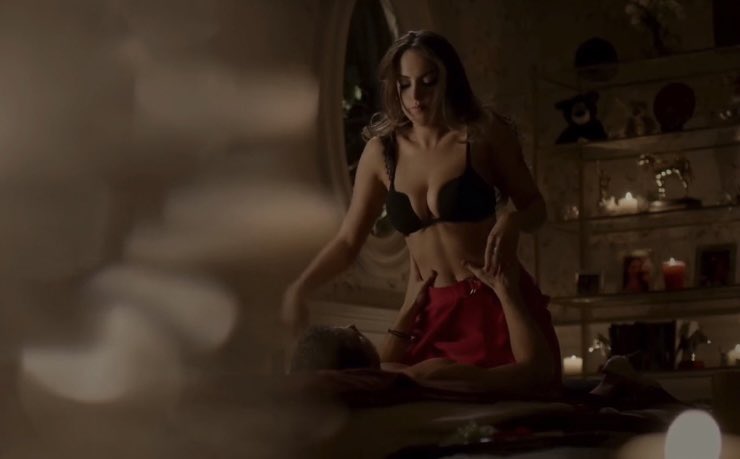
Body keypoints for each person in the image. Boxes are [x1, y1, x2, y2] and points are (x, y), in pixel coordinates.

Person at [283, 30, 561, 391]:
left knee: (523, 404)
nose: (415, 97)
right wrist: (300, 287)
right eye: (405, 85)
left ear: (450, 80)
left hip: (496, 302)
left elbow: (537, 209)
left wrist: (514, 220)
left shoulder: (483, 133)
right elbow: (349, 241)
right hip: (428, 317)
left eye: (428, 82)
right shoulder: (381, 152)